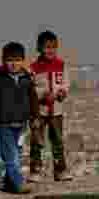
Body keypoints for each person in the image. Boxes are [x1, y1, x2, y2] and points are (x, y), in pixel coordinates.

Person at [0, 42, 39, 194]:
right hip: (4, 122)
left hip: (21, 123)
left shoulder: (26, 78)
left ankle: (8, 184)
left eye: (17, 60)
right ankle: (19, 184)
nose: (13, 64)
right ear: (4, 61)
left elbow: (33, 99)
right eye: (10, 60)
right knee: (11, 156)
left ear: (23, 61)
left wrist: (35, 117)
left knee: (16, 154)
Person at [28, 29, 73, 181]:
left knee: (58, 141)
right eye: (47, 47)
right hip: (39, 111)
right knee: (37, 141)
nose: (50, 50)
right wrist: (43, 95)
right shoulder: (33, 68)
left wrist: (62, 92)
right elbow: (31, 89)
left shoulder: (62, 65)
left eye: (53, 47)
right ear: (39, 48)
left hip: (57, 111)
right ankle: (36, 170)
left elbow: (66, 83)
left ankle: (60, 170)